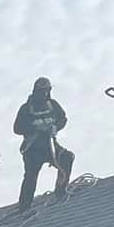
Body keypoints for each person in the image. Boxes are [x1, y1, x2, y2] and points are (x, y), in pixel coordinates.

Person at [14, 78, 74, 209]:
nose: (44, 94)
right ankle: (24, 206)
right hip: (33, 148)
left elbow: (63, 118)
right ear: (35, 92)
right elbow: (17, 128)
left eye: (46, 91)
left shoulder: (53, 105)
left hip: (50, 145)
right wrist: (35, 128)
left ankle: (60, 191)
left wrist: (55, 127)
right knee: (31, 176)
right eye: (41, 91)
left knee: (66, 158)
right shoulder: (26, 108)